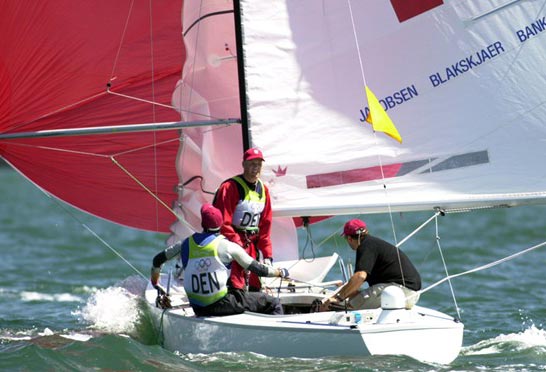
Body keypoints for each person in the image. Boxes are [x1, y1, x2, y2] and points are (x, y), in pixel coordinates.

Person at [150, 203, 289, 316]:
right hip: (221, 305)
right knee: (273, 303)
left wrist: (156, 283)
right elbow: (258, 269)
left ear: (203, 224)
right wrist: (279, 272)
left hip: (198, 308)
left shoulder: (185, 243)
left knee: (235, 292)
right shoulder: (228, 246)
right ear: (221, 225)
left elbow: (157, 260)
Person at [322, 219, 421, 310]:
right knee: (355, 298)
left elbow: (360, 276)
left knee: (344, 307)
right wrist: (347, 288)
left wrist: (338, 298)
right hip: (411, 294)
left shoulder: (365, 246)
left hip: (399, 292)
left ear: (349, 238)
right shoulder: (373, 244)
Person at [213, 147, 273, 292]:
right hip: (233, 245)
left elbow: (265, 225)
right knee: (236, 285)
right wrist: (238, 246)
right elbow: (222, 222)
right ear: (243, 164)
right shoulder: (230, 187)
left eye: (259, 164)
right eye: (252, 163)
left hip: (252, 246)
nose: (255, 168)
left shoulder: (263, 190)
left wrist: (267, 255)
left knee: (255, 286)